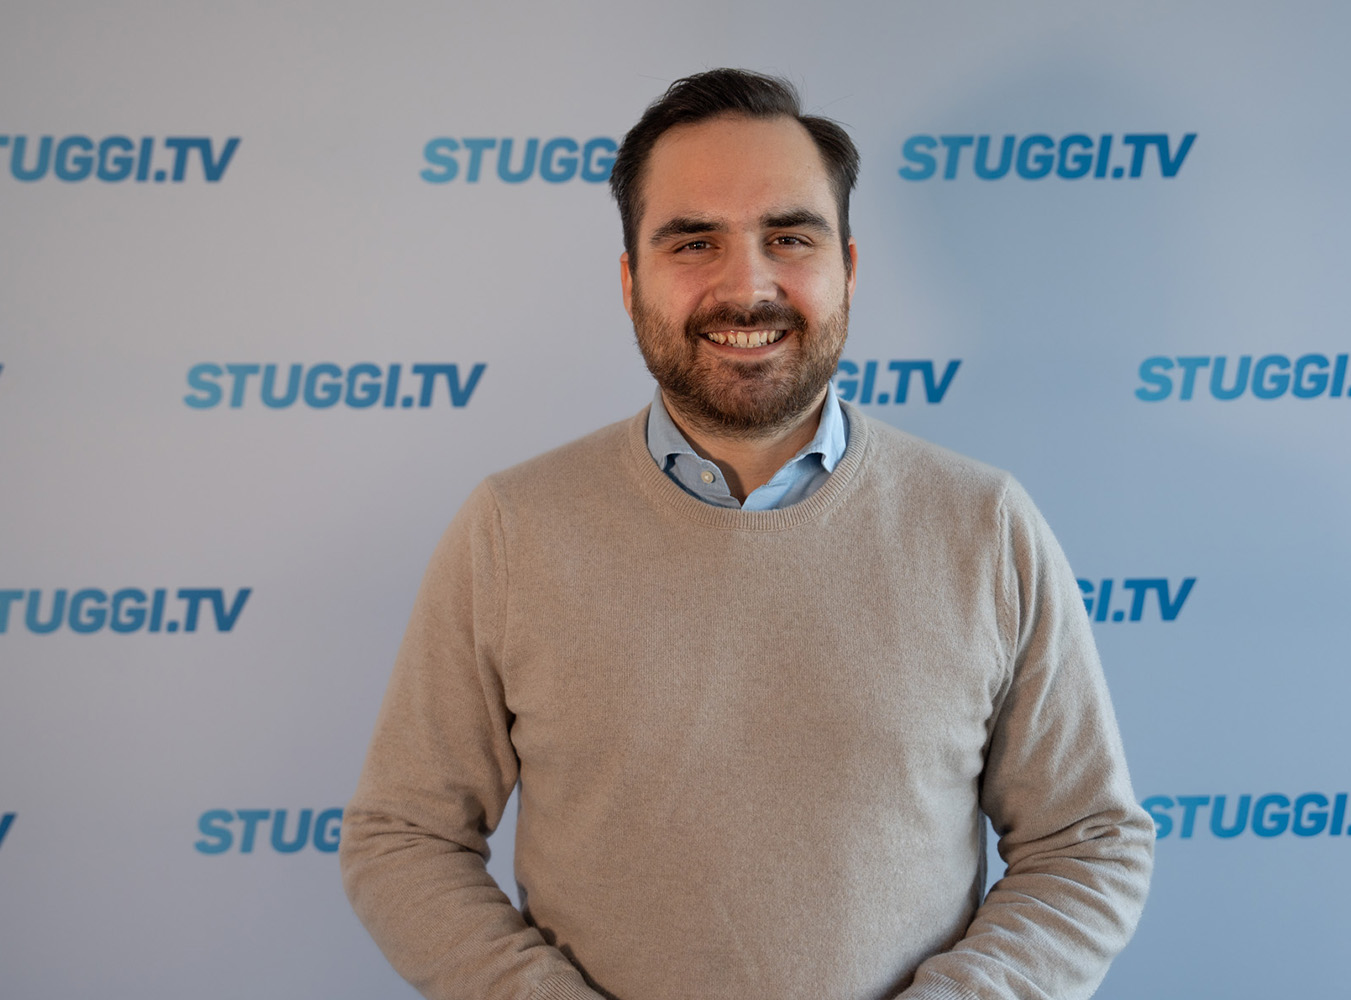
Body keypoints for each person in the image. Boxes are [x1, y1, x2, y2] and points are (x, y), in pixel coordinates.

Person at [341, 68, 1153, 1000]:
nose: (748, 286)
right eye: (694, 242)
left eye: (789, 238)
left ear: (848, 268)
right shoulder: (512, 530)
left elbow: (1087, 842)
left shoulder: (983, 525)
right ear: (630, 280)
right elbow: (402, 838)